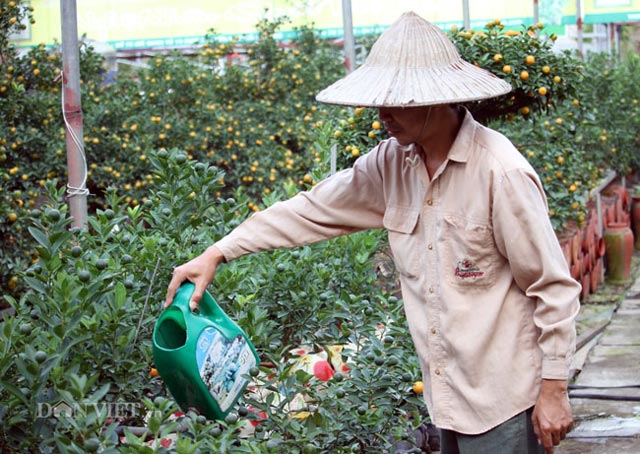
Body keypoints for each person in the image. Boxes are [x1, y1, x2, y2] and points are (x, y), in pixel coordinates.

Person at [166, 11, 580, 454]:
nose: (381, 114)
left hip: (505, 404)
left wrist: (553, 390)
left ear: (438, 98)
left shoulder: (500, 171)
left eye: (397, 101)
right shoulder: (391, 165)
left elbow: (552, 287)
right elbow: (309, 209)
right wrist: (219, 251)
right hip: (448, 400)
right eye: (379, 100)